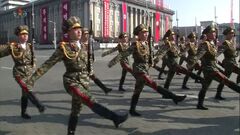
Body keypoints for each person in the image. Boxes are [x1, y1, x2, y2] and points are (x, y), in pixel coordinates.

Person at [26, 16, 128, 135]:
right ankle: (115, 118)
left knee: (76, 111)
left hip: (84, 82)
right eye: (75, 29)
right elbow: (47, 64)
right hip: (71, 82)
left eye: (80, 28)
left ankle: (71, 132)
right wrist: (32, 79)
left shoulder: (84, 46)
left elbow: (88, 67)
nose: (79, 31)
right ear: (69, 32)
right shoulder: (64, 48)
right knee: (90, 100)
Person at [108, 24, 186, 116]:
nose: (146, 34)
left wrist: (156, 66)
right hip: (138, 70)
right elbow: (124, 54)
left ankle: (132, 110)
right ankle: (174, 97)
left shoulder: (147, 44)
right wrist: (112, 62)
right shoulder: (135, 45)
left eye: (147, 32)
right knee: (153, 83)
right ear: (139, 34)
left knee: (137, 90)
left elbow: (150, 60)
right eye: (144, 33)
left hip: (145, 70)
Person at [187, 25, 240, 110]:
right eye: (212, 32)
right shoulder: (205, 44)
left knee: (205, 86)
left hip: (212, 68)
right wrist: (191, 63)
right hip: (209, 69)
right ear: (207, 34)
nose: (214, 34)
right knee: (226, 80)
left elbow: (215, 56)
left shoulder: (212, 43)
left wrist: (219, 63)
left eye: (214, 32)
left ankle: (199, 104)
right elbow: (198, 56)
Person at [0, 25, 45, 119]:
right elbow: (1, 51)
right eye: (22, 34)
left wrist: (33, 67)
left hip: (29, 73)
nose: (25, 36)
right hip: (19, 72)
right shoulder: (13, 46)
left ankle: (23, 113)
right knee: (27, 88)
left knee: (25, 93)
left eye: (26, 34)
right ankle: (39, 105)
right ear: (18, 36)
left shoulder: (30, 46)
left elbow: (33, 58)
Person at [81, 28, 112, 94]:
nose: (86, 35)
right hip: (81, 65)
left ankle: (105, 89)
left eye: (87, 34)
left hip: (88, 63)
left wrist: (93, 58)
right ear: (82, 35)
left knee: (93, 76)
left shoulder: (89, 43)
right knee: (86, 79)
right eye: (85, 34)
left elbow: (91, 52)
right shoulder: (79, 44)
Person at [215, 27, 240, 100]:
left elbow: (233, 53)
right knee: (225, 79)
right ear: (226, 35)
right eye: (230, 33)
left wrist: (237, 53)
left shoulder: (231, 42)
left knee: (225, 79)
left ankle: (218, 94)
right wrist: (215, 59)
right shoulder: (225, 43)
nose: (232, 34)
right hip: (229, 64)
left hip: (232, 62)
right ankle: (218, 94)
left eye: (233, 33)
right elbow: (218, 53)